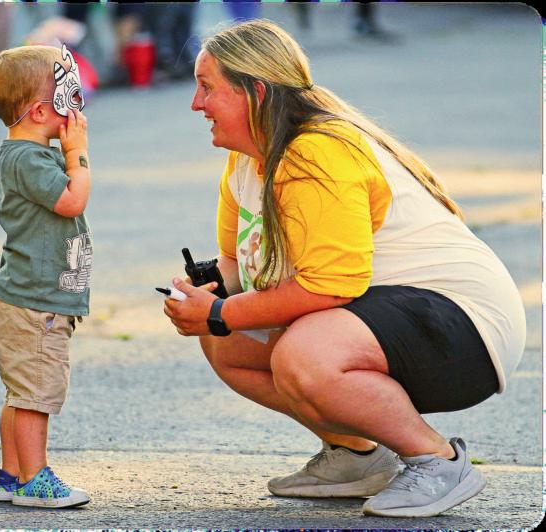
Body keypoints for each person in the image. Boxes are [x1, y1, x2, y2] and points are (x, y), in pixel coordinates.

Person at [163, 19, 526, 518]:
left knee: (302, 353)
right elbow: (235, 265)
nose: (195, 104)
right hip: (391, 316)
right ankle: (356, 457)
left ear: (257, 93)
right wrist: (202, 296)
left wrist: (220, 311)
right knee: (226, 342)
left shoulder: (317, 153)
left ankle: (439, 462)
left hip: (467, 329)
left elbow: (332, 285)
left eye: (207, 87)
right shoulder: (247, 158)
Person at [0, 44, 93, 508]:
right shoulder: (29, 159)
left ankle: (10, 476)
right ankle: (34, 479)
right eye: (70, 93)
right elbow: (72, 200)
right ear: (42, 111)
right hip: (35, 304)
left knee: (21, 393)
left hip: (28, 297)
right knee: (35, 396)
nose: (79, 106)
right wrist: (78, 154)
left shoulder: (27, 155)